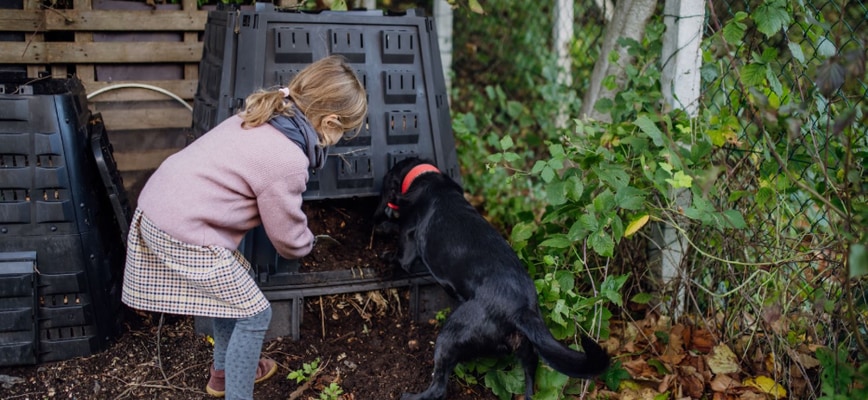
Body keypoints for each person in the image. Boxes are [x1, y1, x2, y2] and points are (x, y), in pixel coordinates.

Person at [121, 55, 367, 399]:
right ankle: (238, 392)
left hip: (163, 207)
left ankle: (223, 373)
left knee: (234, 298)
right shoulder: (287, 158)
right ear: (329, 122)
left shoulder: (271, 112)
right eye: (345, 130)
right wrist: (308, 243)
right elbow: (286, 237)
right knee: (255, 313)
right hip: (182, 230)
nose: (342, 137)